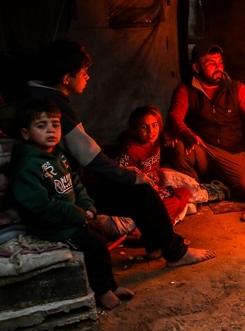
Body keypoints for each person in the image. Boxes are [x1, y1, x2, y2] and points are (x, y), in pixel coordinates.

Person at [28, 40, 214, 267]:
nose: (88, 78)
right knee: (142, 194)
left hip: (65, 180)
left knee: (153, 192)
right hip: (63, 189)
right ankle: (174, 252)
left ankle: (156, 244)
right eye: (84, 73)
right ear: (66, 78)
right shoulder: (51, 105)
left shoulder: (38, 94)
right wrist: (128, 175)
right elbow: (88, 155)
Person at [9, 98, 135, 310]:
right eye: (41, 126)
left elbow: (76, 184)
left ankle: (110, 285)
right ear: (25, 133)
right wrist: (76, 214)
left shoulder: (59, 156)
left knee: (100, 237)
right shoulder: (26, 167)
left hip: (71, 218)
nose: (51, 131)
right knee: (93, 245)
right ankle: (101, 292)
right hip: (51, 225)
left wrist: (87, 206)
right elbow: (40, 206)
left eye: (55, 125)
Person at [167, 43, 245, 221]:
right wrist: (187, 134)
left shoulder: (237, 88)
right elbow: (174, 118)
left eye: (220, 62)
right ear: (196, 67)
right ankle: (194, 190)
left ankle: (216, 186)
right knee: (178, 146)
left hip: (231, 152)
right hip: (203, 148)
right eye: (210, 63)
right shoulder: (186, 90)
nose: (218, 67)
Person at [115, 106, 192, 224]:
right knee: (173, 203)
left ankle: (163, 222)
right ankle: (155, 227)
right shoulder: (130, 150)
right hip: (142, 195)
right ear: (134, 130)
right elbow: (120, 179)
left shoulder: (156, 139)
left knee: (184, 192)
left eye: (154, 125)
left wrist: (166, 132)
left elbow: (172, 128)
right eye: (144, 127)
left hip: (157, 189)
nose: (151, 131)